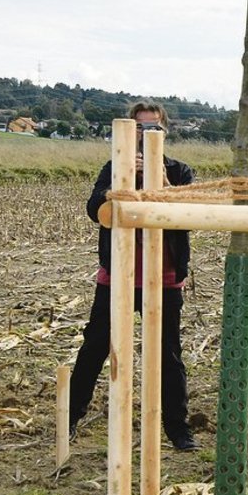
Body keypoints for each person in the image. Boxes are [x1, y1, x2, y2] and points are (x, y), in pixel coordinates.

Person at [71, 100, 197, 451]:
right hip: (118, 277)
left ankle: (178, 429)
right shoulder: (114, 166)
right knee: (95, 347)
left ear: (165, 131)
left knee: (168, 354)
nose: (146, 136)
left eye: (153, 128)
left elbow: (188, 214)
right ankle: (70, 419)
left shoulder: (181, 170)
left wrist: (163, 180)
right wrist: (124, 178)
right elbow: (94, 209)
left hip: (165, 277)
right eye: (139, 129)